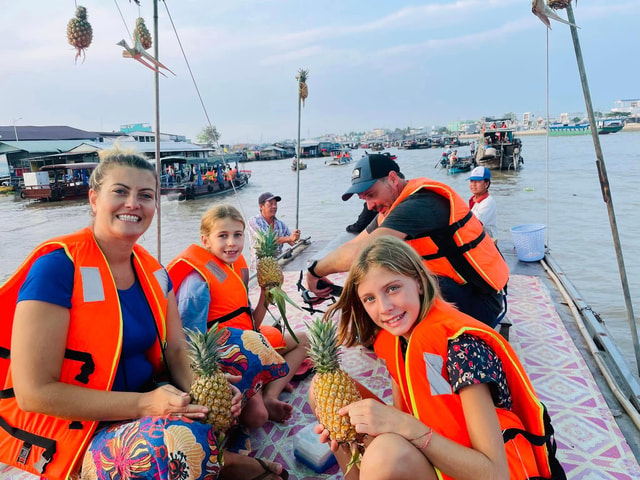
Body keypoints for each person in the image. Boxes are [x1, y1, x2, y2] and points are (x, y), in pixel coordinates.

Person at [0, 147, 287, 480]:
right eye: (120, 192)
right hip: (81, 427)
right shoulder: (57, 268)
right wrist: (144, 405)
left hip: (152, 392)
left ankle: (217, 448)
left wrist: (202, 386)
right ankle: (232, 462)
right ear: (94, 199)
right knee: (175, 444)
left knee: (247, 345)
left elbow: (177, 349)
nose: (133, 203)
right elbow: (33, 393)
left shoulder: (153, 271)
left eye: (145, 195)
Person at [311, 236, 564, 480]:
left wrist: (404, 428)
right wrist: (352, 433)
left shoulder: (462, 350)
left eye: (393, 288)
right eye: (370, 299)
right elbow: (405, 413)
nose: (384, 307)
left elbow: (494, 473)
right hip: (433, 450)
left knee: (384, 455)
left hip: (478, 468)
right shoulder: (397, 339)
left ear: (419, 282)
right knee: (319, 392)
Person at [305, 153, 508, 328]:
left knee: (386, 292)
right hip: (450, 287)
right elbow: (355, 243)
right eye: (364, 199)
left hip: (479, 301)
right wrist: (318, 269)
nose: (369, 206)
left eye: (371, 195)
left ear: (392, 179)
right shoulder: (392, 206)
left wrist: (316, 271)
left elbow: (361, 252)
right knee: (378, 285)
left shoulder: (421, 204)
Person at [168, 204, 309, 426]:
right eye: (222, 236)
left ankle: (270, 395)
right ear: (206, 241)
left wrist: (265, 293)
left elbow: (251, 323)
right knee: (257, 418)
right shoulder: (197, 283)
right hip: (223, 358)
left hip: (249, 342)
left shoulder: (239, 267)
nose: (232, 243)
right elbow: (188, 346)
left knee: (304, 340)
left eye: (238, 235)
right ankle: (263, 390)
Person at [248, 192, 301, 265]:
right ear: (261, 206)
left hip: (278, 265)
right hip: (260, 267)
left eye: (275, 204)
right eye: (270, 204)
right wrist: (289, 238)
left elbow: (293, 242)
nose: (274, 206)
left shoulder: (281, 225)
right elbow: (265, 240)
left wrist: (296, 238)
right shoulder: (254, 221)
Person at [468, 166, 498, 239]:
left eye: (477, 181)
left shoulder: (488, 202)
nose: (473, 184)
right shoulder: (474, 200)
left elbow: (475, 224)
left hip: (487, 241)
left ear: (486, 184)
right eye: (472, 180)